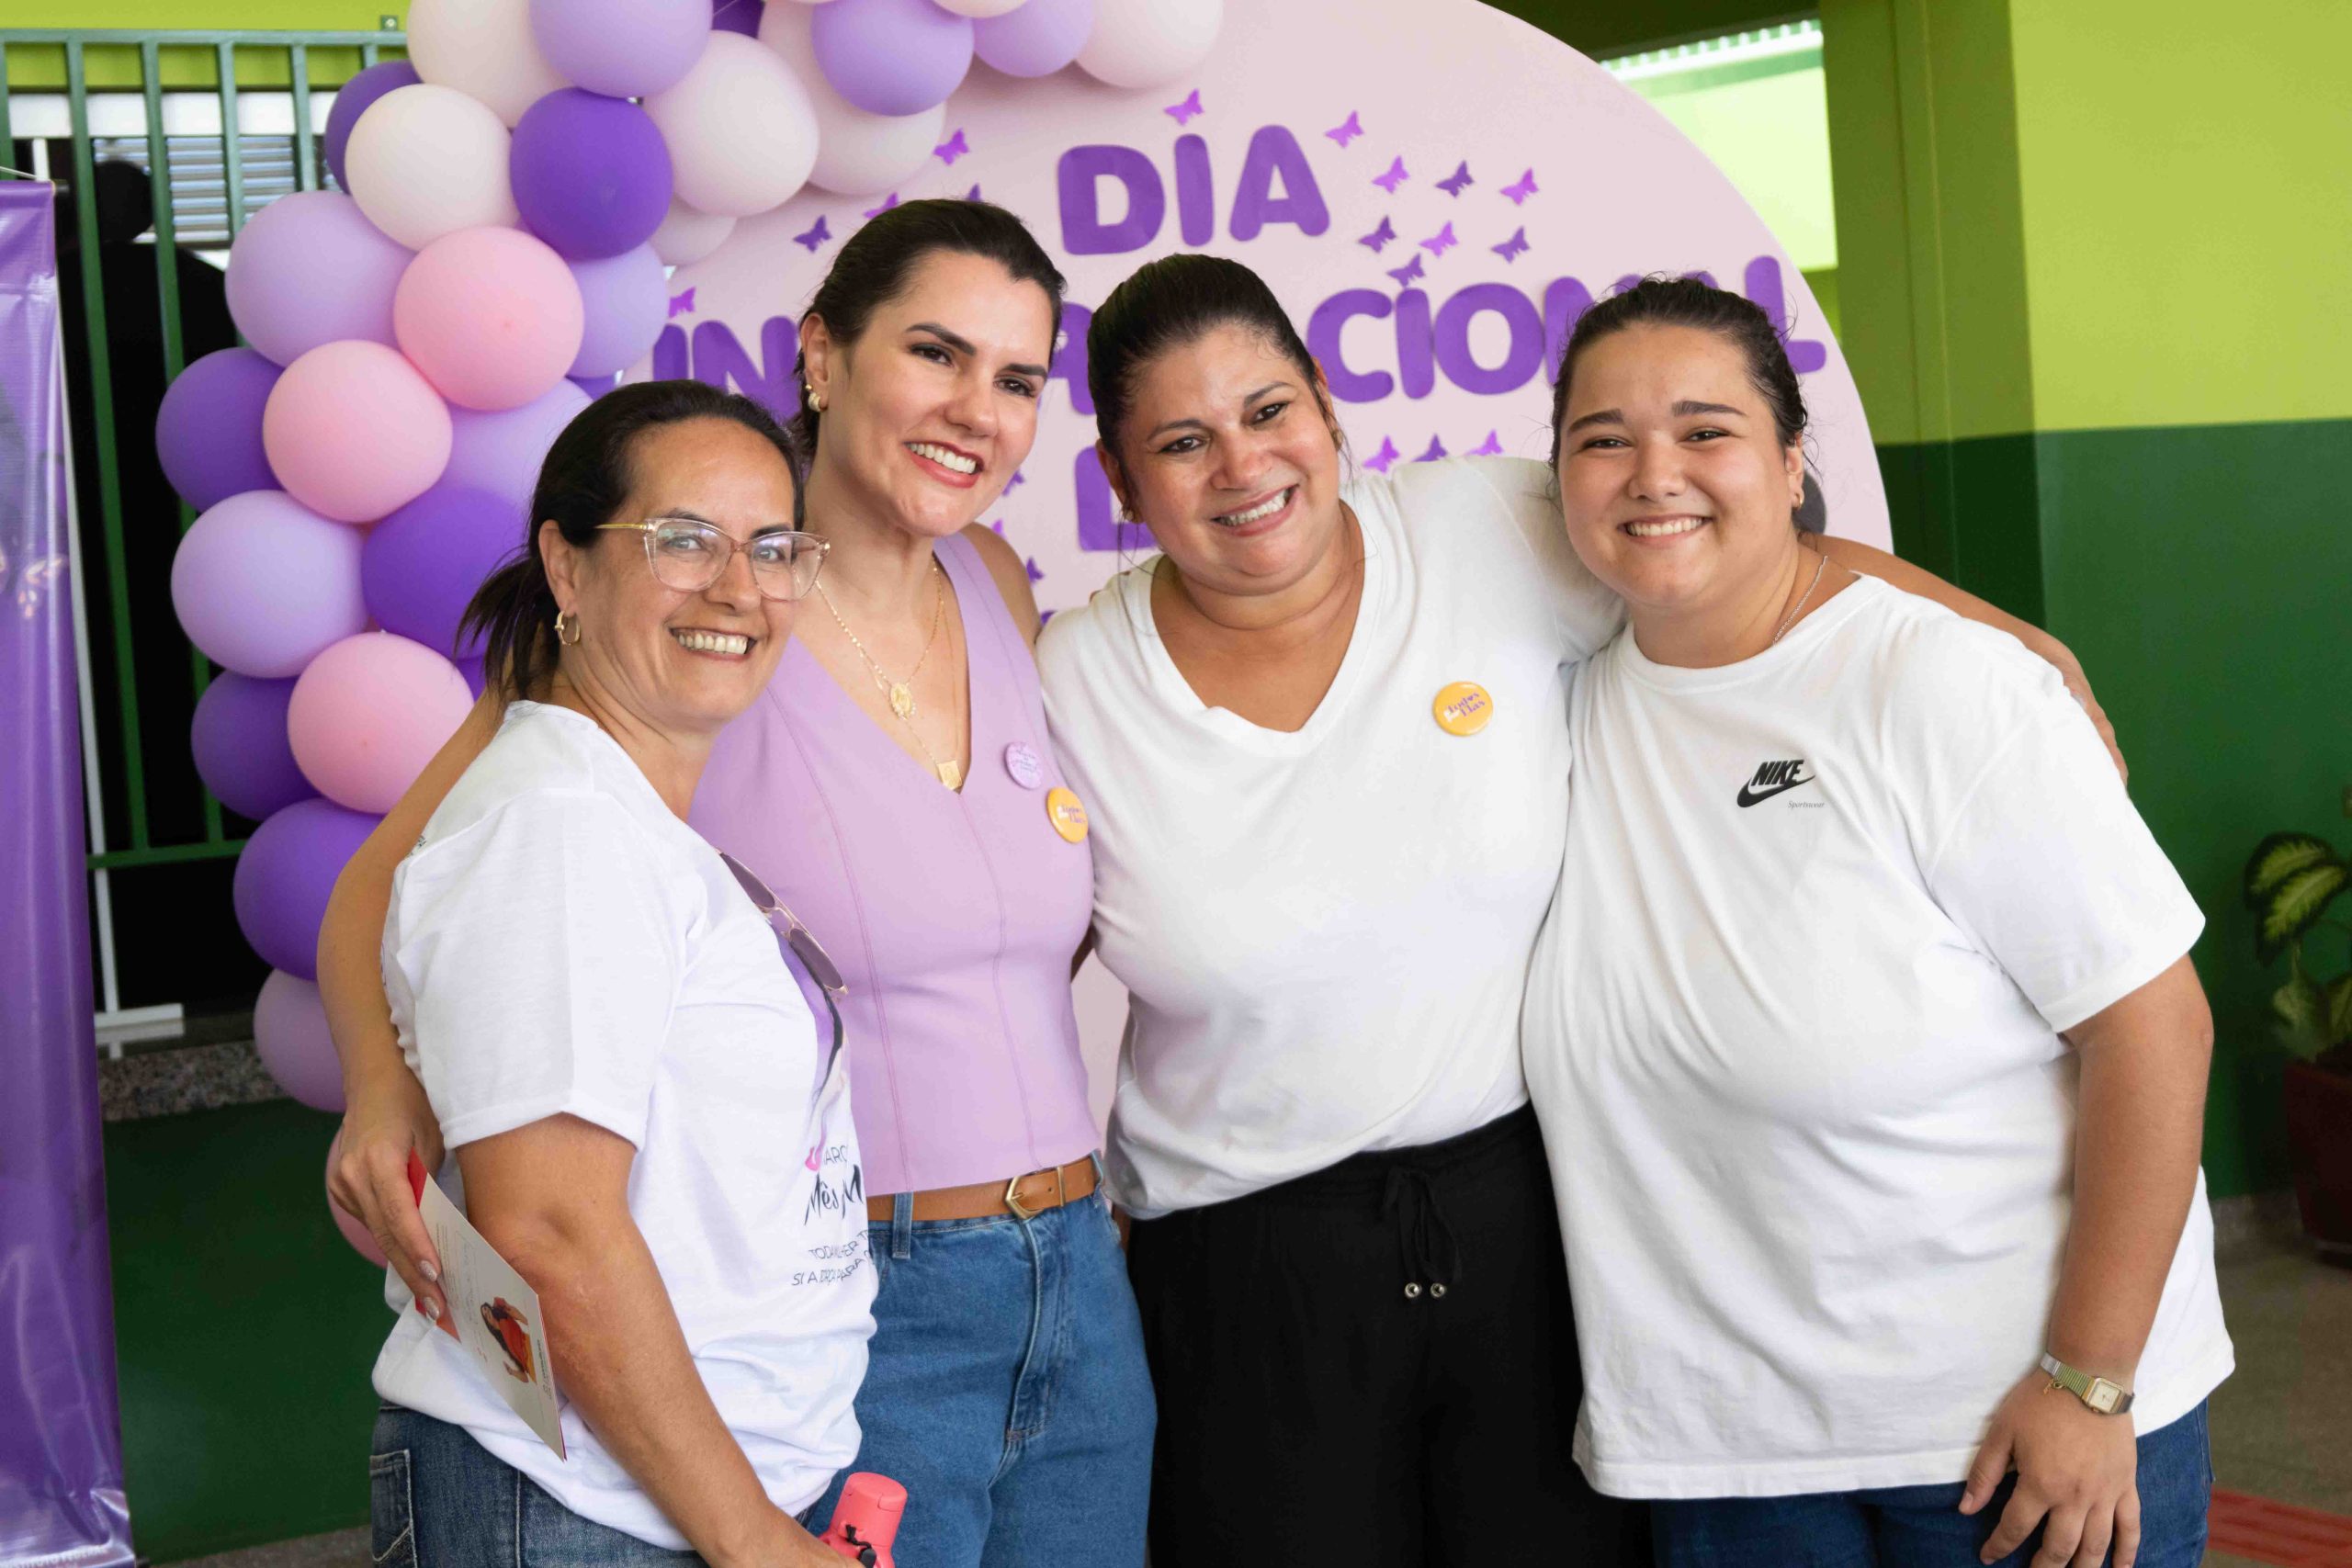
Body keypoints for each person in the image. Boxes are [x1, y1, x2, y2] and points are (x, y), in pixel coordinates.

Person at [1035, 253, 2111, 1564]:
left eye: (1269, 412)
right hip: (1241, 1271)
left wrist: (2021, 648)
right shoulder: (1075, 679)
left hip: (1528, 1229)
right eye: (1182, 442)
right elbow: (1011, 953)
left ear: (1324, 402)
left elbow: (1757, 553)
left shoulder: (1481, 528)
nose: (1242, 467)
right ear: (1120, 481)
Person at [322, 200, 1153, 1568]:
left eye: (1017, 378)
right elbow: (391, 885)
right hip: (856, 1287)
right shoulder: (688, 631)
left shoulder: (996, 584)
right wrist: (380, 1089)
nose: (977, 410)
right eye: (936, 353)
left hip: (1072, 1261)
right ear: (822, 356)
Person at [1521, 276, 2229, 1567]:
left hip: (2011, 1442)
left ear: (1794, 461)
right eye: (1602, 439)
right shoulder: (1557, 693)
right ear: (1556, 476)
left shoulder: (1943, 687)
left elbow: (2155, 1030)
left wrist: (2090, 1383)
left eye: (1707, 430)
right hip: (1726, 1459)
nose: (1652, 472)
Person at [365, 380, 872, 1567]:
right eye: (683, 540)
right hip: (580, 1512)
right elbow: (548, 1229)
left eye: (773, 548)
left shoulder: (614, 815)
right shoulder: (559, 828)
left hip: (655, 1500)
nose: (738, 588)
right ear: (568, 566)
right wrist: (752, 1539)